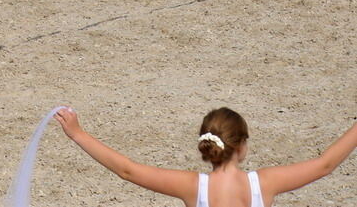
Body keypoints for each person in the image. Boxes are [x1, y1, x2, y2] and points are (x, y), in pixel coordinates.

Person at [54, 106, 357, 207]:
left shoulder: (193, 188)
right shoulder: (262, 185)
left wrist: (78, 134)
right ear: (242, 146)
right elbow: (325, 164)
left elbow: (128, 170)